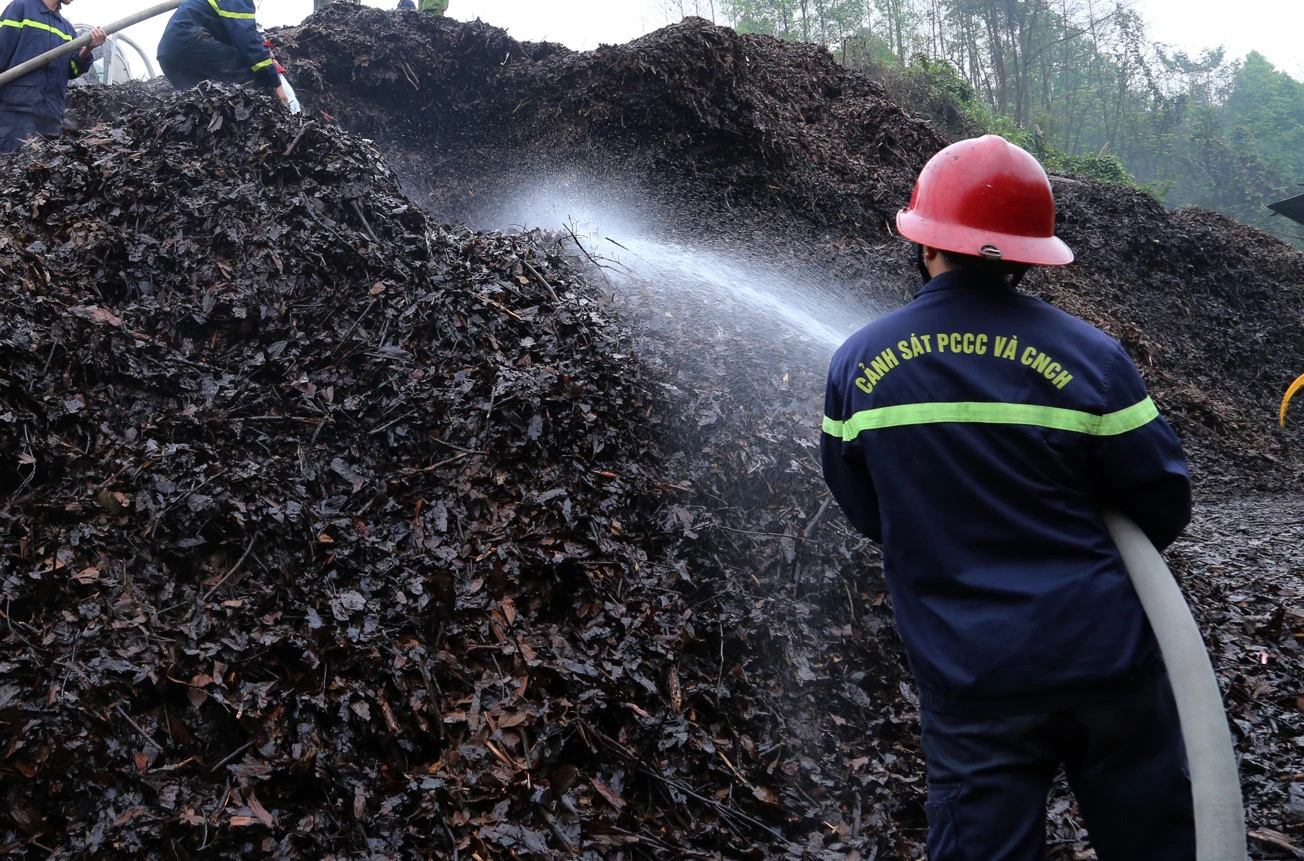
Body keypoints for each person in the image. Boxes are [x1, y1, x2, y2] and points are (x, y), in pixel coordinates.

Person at [821, 135, 1196, 860]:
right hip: (1106, 660)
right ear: (1029, 254)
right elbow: (1162, 500)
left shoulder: (860, 364)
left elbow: (865, 507)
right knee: (1157, 841)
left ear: (924, 243)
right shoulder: (1095, 358)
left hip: (971, 675)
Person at [0, 0, 104, 153]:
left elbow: (72, 70)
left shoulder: (66, 29)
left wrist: (88, 49)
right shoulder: (20, 9)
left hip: (51, 119)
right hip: (16, 115)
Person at [156, 0, 287, 105]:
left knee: (204, 103)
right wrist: (274, 82)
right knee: (253, 80)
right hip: (192, 42)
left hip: (167, 56)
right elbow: (246, 40)